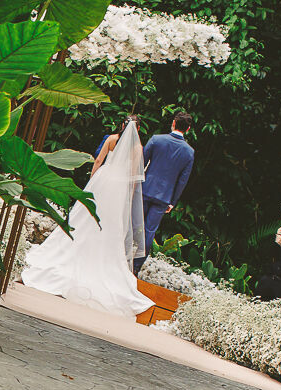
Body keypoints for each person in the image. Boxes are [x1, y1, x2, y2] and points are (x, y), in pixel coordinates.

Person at [19, 117, 155, 318]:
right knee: (111, 224)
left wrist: (93, 180)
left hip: (103, 180)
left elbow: (99, 161)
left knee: (85, 216)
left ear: (122, 125)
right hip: (119, 186)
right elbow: (134, 175)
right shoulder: (137, 148)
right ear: (138, 129)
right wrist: (130, 194)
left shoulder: (111, 139)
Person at [134, 111, 195, 273]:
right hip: (164, 197)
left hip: (145, 189)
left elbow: (141, 164)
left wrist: (135, 185)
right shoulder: (189, 152)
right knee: (149, 232)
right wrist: (172, 202)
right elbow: (182, 181)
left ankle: (120, 258)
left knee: (133, 224)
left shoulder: (157, 139)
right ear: (188, 129)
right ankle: (135, 268)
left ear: (173, 123)